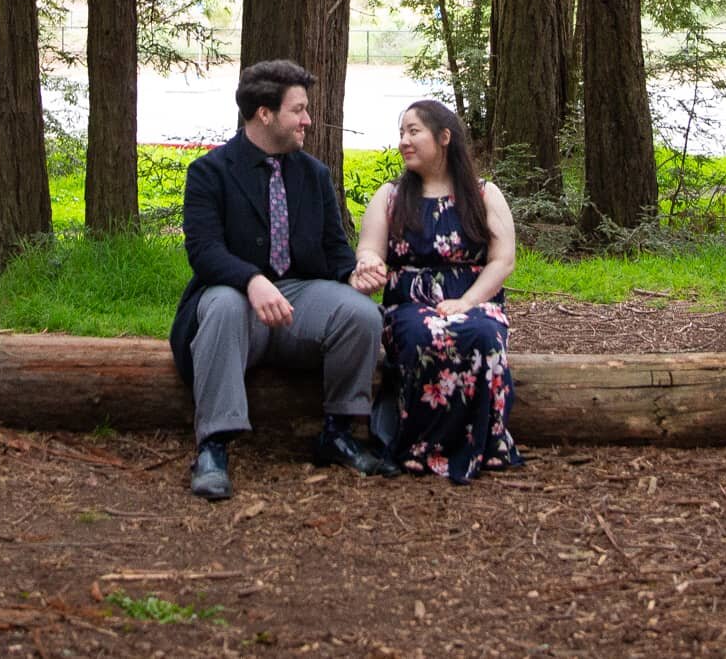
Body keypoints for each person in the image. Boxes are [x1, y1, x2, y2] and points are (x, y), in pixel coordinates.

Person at [169, 58, 396, 501]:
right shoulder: (209, 173)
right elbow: (204, 251)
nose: (308, 119)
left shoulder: (313, 175)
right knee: (221, 305)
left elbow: (334, 250)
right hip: (233, 300)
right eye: (298, 109)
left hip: (299, 304)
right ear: (264, 113)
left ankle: (338, 432)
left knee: (360, 314)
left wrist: (354, 273)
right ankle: (213, 446)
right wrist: (252, 280)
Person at [351, 99, 525, 483]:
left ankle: (486, 444)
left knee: (483, 334)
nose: (403, 142)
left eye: (414, 131)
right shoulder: (391, 197)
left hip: (473, 299)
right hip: (410, 305)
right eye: (401, 133)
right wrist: (369, 265)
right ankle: (418, 447)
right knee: (419, 336)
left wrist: (467, 301)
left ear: (444, 137)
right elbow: (369, 248)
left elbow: (503, 260)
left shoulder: (484, 195)